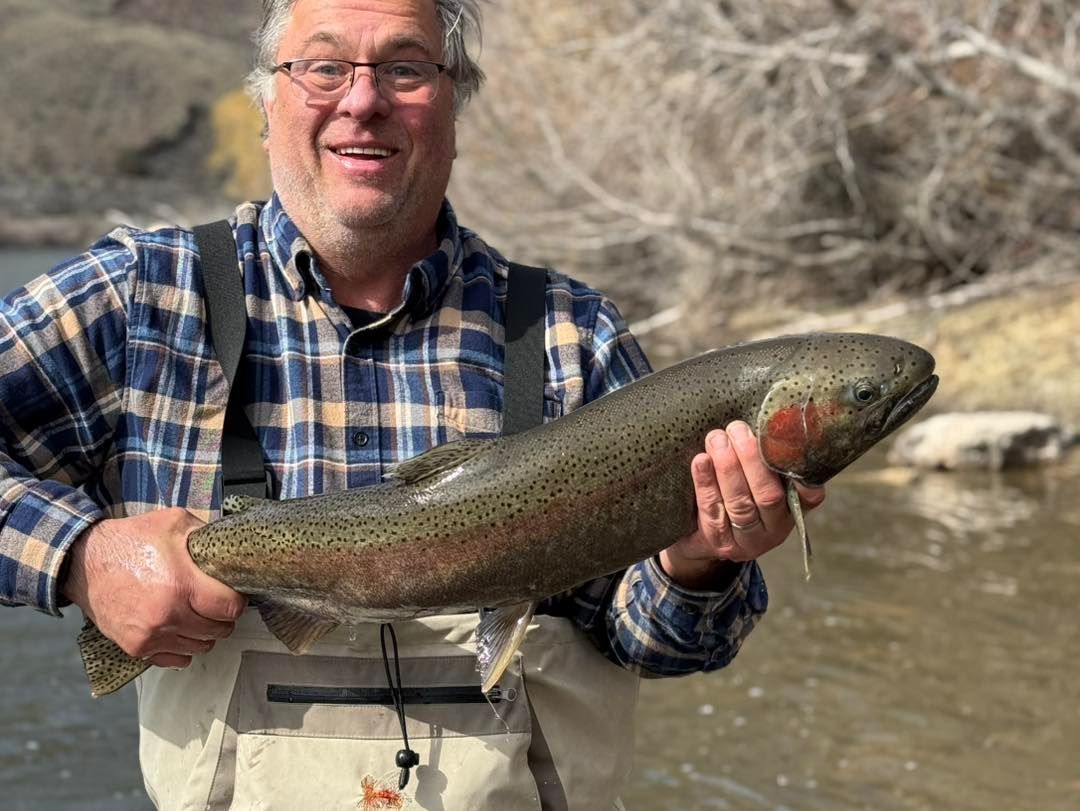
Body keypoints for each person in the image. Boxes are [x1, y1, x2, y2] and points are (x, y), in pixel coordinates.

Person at [0, 0, 825, 808]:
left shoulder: (574, 335)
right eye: (324, 67)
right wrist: (82, 555)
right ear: (267, 103)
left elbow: (657, 643)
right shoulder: (142, 299)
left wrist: (698, 560)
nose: (363, 100)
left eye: (405, 68)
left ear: (455, 110)